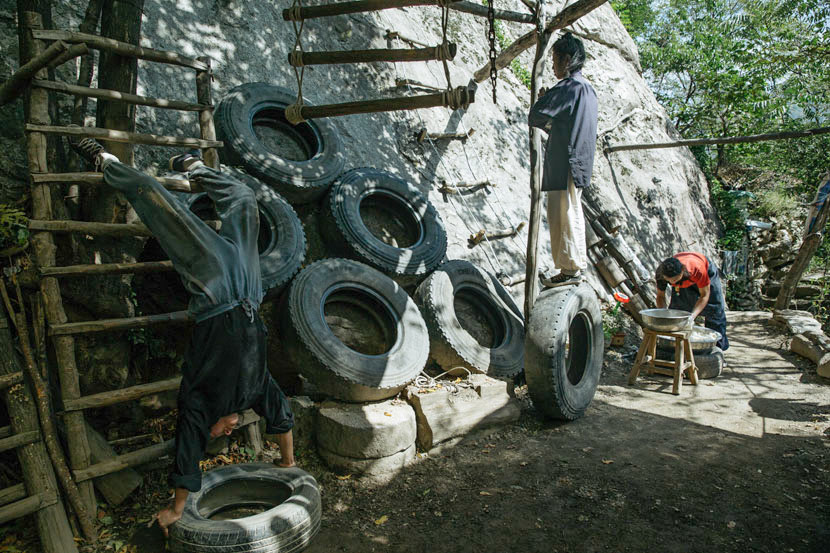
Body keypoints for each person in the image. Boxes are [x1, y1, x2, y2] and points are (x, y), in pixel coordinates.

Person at [69, 136, 296, 537]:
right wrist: (287, 465)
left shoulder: (197, 405)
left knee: (156, 201)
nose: (227, 431)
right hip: (249, 286)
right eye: (227, 433)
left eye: (219, 433)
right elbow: (282, 419)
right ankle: (193, 166)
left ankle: (104, 159)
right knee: (244, 198)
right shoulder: (255, 392)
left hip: (213, 284)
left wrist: (177, 509)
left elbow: (187, 460)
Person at [528, 32, 598, 288]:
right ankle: (572, 266)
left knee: (563, 213)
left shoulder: (569, 87)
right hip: (578, 159)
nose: (554, 65)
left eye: (556, 60)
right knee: (571, 211)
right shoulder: (587, 90)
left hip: (565, 159)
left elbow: (536, 115)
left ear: (567, 60)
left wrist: (545, 99)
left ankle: (569, 268)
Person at [655, 252, 729, 350]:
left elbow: (704, 295)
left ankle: (717, 351)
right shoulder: (661, 274)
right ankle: (675, 347)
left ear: (682, 271)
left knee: (715, 310)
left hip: (705, 274)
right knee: (677, 312)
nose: (672, 282)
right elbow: (660, 296)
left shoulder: (697, 269)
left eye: (675, 279)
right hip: (684, 281)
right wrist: (663, 314)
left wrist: (692, 317)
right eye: (669, 280)